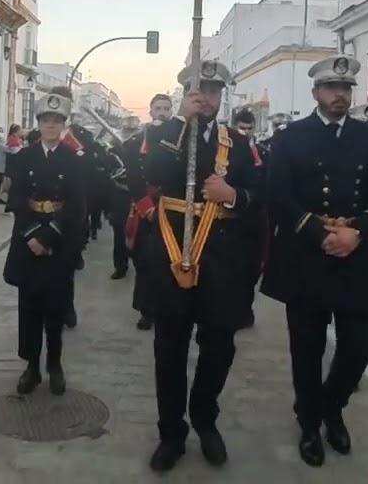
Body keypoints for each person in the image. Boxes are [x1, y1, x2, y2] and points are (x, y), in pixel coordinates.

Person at [261, 55, 368, 468]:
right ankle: (309, 423)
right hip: (308, 255)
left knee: (358, 348)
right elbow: (278, 196)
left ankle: (330, 407)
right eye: (333, 89)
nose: (340, 95)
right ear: (316, 92)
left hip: (358, 255)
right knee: (306, 347)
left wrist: (357, 231)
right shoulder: (291, 138)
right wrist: (321, 234)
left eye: (346, 89)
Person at [141, 61, 260, 472]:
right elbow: (152, 174)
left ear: (223, 94)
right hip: (173, 254)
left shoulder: (237, 143)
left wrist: (232, 194)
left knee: (219, 347)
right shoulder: (167, 133)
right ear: (186, 93)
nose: (207, 96)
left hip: (222, 259)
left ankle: (205, 419)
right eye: (199, 89)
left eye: (213, 89)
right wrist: (180, 120)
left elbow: (259, 195)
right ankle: (171, 432)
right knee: (168, 348)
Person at [2, 88, 86, 396]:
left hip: (59, 241)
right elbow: (16, 198)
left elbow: (77, 205)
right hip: (27, 239)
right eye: (46, 121)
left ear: (63, 125)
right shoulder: (24, 156)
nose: (51, 126)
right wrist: (32, 236)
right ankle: (32, 366)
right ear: (38, 124)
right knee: (29, 307)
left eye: (56, 121)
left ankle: (54, 364)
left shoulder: (75, 159)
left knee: (55, 306)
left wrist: (49, 236)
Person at [124, 94, 176, 331]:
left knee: (170, 261)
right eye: (158, 108)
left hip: (174, 207)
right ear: (151, 111)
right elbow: (134, 179)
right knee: (144, 262)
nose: (162, 112)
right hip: (146, 208)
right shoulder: (135, 143)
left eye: (167, 108)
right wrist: (148, 209)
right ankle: (146, 310)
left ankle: (167, 308)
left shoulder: (180, 140)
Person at [231, 107, 267, 329]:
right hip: (233, 217)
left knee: (253, 269)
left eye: (248, 128)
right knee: (233, 269)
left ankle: (246, 309)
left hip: (256, 218)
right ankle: (233, 311)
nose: (244, 132)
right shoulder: (227, 152)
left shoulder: (263, 152)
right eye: (241, 128)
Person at [106, 116, 142, 281]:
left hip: (138, 195)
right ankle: (120, 266)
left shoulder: (143, 149)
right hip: (120, 195)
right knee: (119, 233)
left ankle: (141, 265)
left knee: (140, 233)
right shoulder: (113, 151)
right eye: (127, 130)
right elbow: (110, 174)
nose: (129, 134)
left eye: (132, 131)